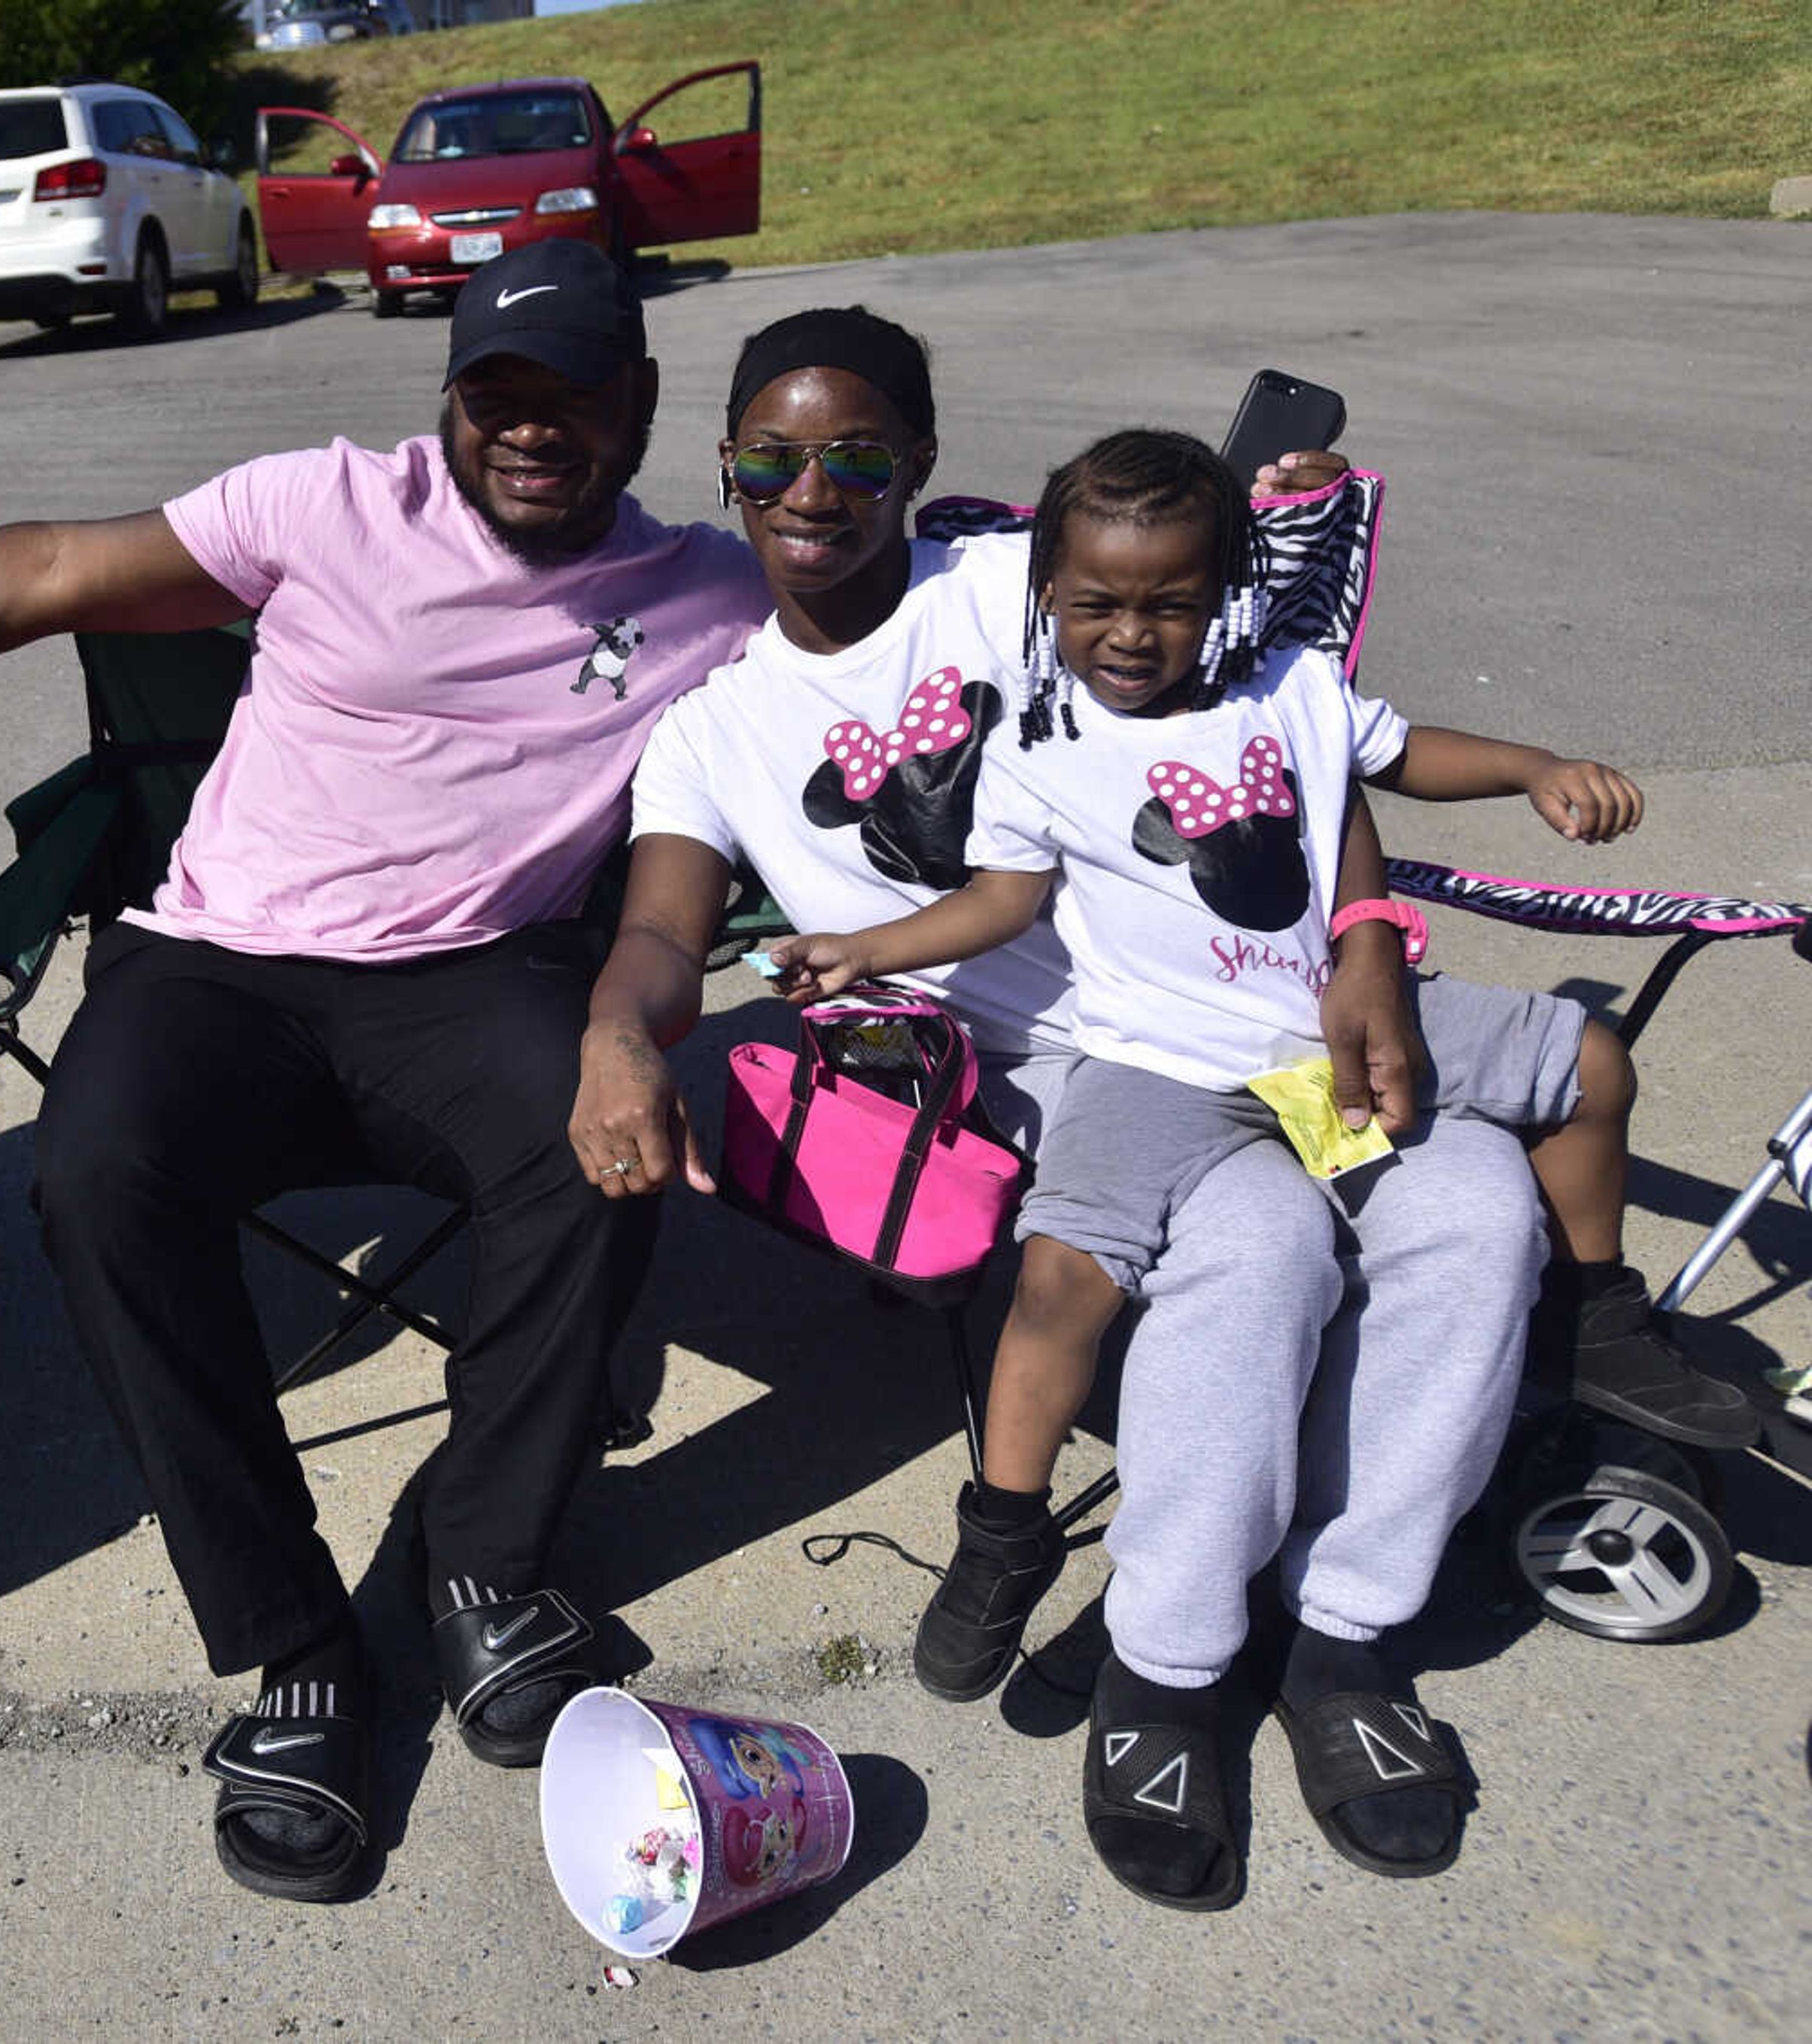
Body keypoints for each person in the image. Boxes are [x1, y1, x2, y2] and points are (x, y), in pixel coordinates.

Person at [0, 240, 770, 1901]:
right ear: (448, 399)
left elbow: (950, 603)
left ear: (638, 402)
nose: (530, 427)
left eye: (571, 394)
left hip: (476, 976)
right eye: (495, 393)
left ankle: (490, 1571)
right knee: (95, 1172)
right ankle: (295, 1645)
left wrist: (1258, 536)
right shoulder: (329, 507)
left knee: (605, 1141)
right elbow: (44, 566)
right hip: (221, 963)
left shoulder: (714, 591)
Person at [576, 315, 1552, 1909]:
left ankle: (1349, 1635)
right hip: (1035, 1069)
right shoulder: (715, 724)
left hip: (1252, 1006)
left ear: (924, 469)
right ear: (727, 472)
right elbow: (664, 930)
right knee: (1260, 1248)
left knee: (1479, 1206)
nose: (813, 488)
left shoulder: (1025, 582)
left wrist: (1279, 524)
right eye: (771, 458)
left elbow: (1272, 708)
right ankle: (1170, 1667)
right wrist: (621, 1028)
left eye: (860, 456)